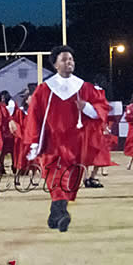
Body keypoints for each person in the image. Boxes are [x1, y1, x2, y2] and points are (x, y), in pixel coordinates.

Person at [23, 45, 109, 232]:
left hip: (76, 143)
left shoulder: (84, 87)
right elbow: (33, 116)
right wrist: (33, 141)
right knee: (54, 177)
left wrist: (86, 107)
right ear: (55, 64)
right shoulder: (44, 89)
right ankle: (62, 213)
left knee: (70, 180)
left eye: (71, 59)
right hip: (51, 143)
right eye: (64, 59)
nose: (69, 62)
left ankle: (56, 212)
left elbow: (101, 109)